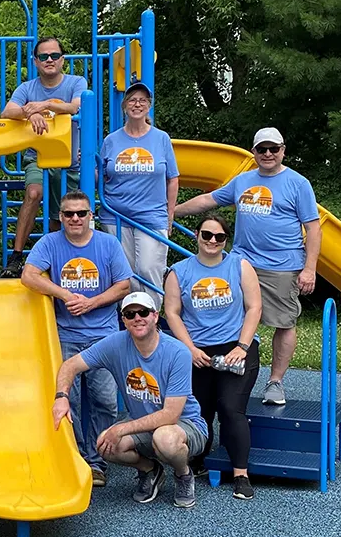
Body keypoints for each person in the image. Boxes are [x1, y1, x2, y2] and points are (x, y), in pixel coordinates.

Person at [174, 127, 321, 405]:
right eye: (262, 149)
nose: (268, 154)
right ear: (253, 152)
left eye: (273, 149)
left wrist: (309, 268)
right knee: (230, 315)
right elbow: (208, 200)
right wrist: (171, 211)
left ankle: (275, 382)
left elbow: (313, 229)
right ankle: (229, 371)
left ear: (283, 151)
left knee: (284, 322)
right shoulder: (242, 181)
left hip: (282, 265)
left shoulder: (297, 183)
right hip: (242, 261)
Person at [52, 292, 208, 508]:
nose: (137, 318)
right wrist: (61, 397)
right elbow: (70, 365)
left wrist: (122, 429)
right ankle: (150, 470)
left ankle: (183, 474)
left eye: (143, 312)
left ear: (155, 316)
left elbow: (170, 415)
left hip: (185, 425)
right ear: (123, 320)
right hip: (143, 424)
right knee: (105, 444)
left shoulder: (177, 352)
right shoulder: (115, 344)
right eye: (130, 314)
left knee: (165, 438)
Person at [21, 191, 131, 486]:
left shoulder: (107, 244)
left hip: (103, 336)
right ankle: (76, 457)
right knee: (69, 400)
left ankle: (97, 459)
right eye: (69, 214)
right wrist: (66, 294)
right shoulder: (50, 242)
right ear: (61, 217)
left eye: (81, 213)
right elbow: (28, 276)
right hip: (65, 333)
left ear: (90, 216)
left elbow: (124, 285)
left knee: (106, 401)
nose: (75, 219)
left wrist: (91, 303)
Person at [164, 215, 262, 500]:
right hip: (196, 349)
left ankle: (241, 474)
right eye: (207, 235)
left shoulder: (239, 266)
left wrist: (242, 347)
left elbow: (254, 307)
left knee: (231, 408)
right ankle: (197, 460)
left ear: (226, 240)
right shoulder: (179, 271)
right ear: (196, 234)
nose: (212, 241)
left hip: (236, 346)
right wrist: (189, 349)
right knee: (199, 410)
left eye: (219, 237)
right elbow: (172, 312)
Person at [0, 37, 88, 278]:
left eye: (54, 56)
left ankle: (60, 259)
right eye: (43, 57)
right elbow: (7, 111)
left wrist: (43, 105)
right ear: (35, 61)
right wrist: (29, 115)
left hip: (67, 160)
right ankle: (17, 256)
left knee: (65, 211)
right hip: (36, 156)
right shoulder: (27, 87)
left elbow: (76, 107)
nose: (49, 60)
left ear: (63, 60)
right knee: (34, 193)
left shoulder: (75, 82)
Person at [99, 83, 179, 308]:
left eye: (142, 100)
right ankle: (130, 318)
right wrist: (83, 162)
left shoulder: (161, 138)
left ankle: (151, 316)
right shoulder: (111, 140)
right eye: (132, 99)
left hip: (151, 215)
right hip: (115, 215)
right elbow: (101, 173)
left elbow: (172, 178)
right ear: (124, 106)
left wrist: (169, 214)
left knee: (148, 269)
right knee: (126, 273)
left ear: (149, 106)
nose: (137, 104)